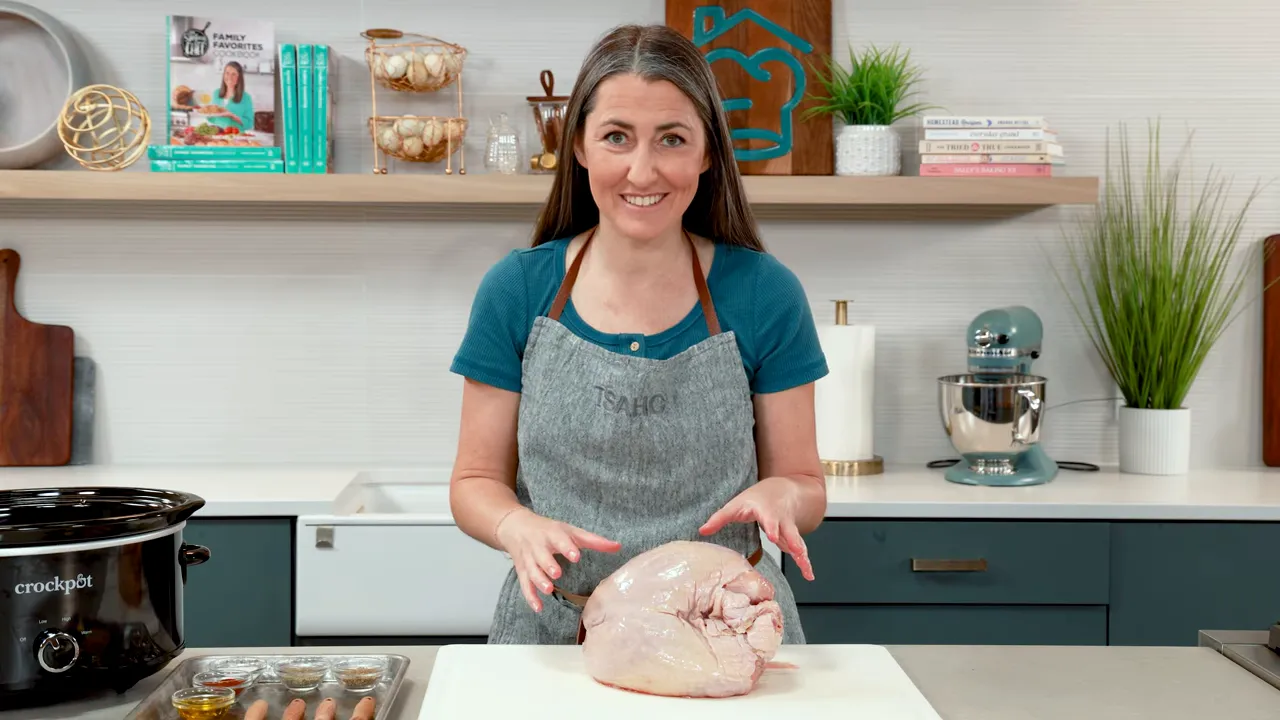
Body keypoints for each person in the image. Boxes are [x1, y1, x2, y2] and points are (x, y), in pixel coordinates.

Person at [448, 23, 829, 646]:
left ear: (708, 153)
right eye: (616, 137)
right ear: (580, 147)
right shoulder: (517, 290)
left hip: (725, 633)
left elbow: (806, 485)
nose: (642, 170)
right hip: (555, 637)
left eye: (672, 139)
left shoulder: (765, 292)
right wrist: (515, 524)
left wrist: (786, 495)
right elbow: (473, 483)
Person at [202, 61, 254, 132]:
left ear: (239, 77)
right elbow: (213, 119)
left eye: (234, 74)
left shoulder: (246, 98)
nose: (230, 77)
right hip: (218, 136)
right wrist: (207, 112)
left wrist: (233, 116)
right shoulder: (216, 93)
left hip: (236, 138)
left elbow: (249, 124)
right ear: (223, 75)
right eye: (227, 73)